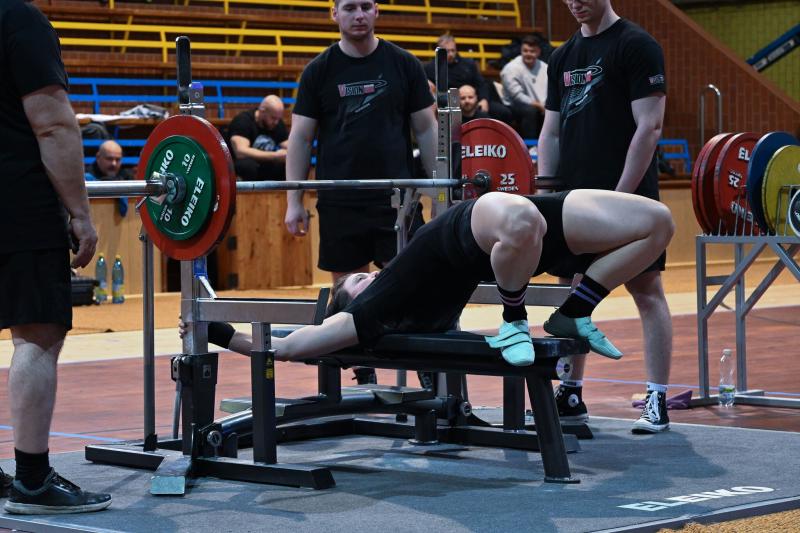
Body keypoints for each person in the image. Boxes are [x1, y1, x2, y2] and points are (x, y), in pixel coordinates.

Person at [186, 190, 674, 374]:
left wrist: (216, 331)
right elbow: (290, 347)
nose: (370, 274)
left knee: (657, 223)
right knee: (524, 220)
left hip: (484, 228)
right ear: (351, 303)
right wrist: (215, 330)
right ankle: (514, 320)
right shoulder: (374, 309)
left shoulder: (390, 285)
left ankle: (575, 311)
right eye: (359, 280)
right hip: (490, 234)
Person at [537, 0, 671, 434]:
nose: (575, 2)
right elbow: (551, 131)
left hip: (627, 196)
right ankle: (570, 393)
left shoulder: (636, 45)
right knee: (572, 289)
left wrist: (620, 199)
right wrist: (545, 195)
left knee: (646, 290)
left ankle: (657, 398)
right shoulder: (562, 56)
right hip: (574, 199)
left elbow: (649, 127)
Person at [0, 0, 111, 514]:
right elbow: (52, 125)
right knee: (37, 333)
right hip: (17, 202)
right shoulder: (18, 19)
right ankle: (32, 481)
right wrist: (81, 214)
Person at [284, 0, 437, 285]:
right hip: (340, 200)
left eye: (365, 7)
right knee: (349, 297)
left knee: (410, 289)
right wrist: (294, 201)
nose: (359, 15)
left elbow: (427, 130)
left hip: (396, 199)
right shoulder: (317, 71)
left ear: (376, 11)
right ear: (334, 14)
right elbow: (301, 139)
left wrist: (440, 192)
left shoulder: (405, 64)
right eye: (350, 8)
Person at [424, 34, 513, 125]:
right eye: (447, 51)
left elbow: (481, 84)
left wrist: (484, 100)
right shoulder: (431, 68)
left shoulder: (468, 64)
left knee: (504, 112)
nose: (451, 54)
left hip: (473, 101)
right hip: (450, 105)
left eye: (453, 50)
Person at [228, 95, 289, 181]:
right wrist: (275, 156)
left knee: (285, 165)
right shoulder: (243, 121)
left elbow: (288, 145)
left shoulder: (277, 123)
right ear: (262, 111)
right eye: (273, 118)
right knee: (247, 165)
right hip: (244, 165)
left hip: (265, 166)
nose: (276, 122)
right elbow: (240, 152)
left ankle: (282, 190)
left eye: (278, 119)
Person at [500, 35, 548, 139]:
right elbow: (517, 96)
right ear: (521, 51)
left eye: (532, 51)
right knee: (530, 111)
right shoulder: (510, 69)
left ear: (538, 52)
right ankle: (530, 145)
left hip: (541, 105)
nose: (528, 54)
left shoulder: (545, 68)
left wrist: (546, 106)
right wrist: (539, 105)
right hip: (513, 105)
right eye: (525, 51)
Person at [85, 140, 131, 216]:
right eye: (109, 159)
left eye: (117, 159)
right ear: (98, 157)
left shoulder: (126, 176)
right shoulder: (86, 177)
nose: (114, 163)